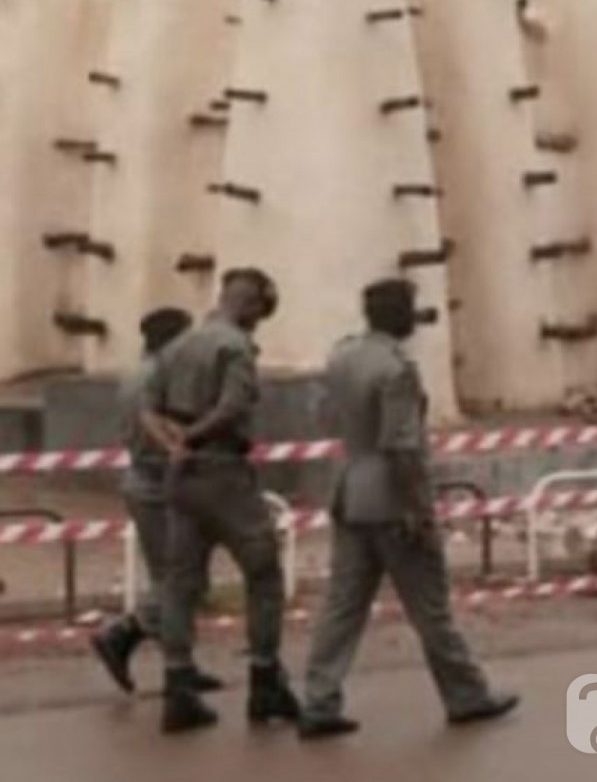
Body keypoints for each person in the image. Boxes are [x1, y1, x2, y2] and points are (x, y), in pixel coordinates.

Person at [299, 279, 519, 740]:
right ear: (401, 314)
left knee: (342, 605)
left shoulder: (342, 356)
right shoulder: (397, 369)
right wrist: (419, 508)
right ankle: (466, 694)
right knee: (430, 606)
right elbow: (401, 447)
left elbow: (323, 417)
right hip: (391, 499)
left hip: (348, 488)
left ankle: (319, 698)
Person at [141, 268, 301, 734]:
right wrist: (193, 436)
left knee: (180, 582)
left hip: (181, 477)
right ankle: (265, 678)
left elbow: (148, 409)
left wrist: (172, 445)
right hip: (224, 474)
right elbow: (233, 407)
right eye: (262, 311)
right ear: (251, 305)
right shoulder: (235, 347)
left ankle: (177, 685)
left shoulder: (177, 345)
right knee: (264, 572)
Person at [90, 308, 222, 696]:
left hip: (144, 479)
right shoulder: (166, 379)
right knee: (184, 579)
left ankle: (179, 664)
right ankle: (123, 634)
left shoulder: (136, 375)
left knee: (175, 576)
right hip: (165, 482)